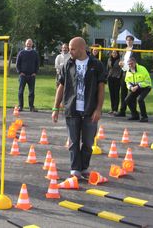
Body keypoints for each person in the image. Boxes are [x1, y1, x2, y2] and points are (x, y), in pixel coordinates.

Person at [52, 37, 106, 179]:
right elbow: (61, 87)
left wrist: (98, 109)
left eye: (72, 49)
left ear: (82, 48)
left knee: (88, 142)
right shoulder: (67, 65)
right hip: (72, 108)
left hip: (90, 109)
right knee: (73, 142)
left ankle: (83, 168)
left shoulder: (97, 65)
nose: (70, 51)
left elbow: (101, 89)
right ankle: (75, 169)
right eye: (69, 48)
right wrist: (55, 108)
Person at [114, 35, 140, 117]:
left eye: (130, 40)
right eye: (127, 40)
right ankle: (122, 111)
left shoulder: (135, 51)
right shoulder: (124, 50)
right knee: (123, 92)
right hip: (124, 73)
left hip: (132, 74)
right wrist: (120, 63)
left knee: (132, 94)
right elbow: (122, 60)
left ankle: (134, 112)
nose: (128, 41)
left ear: (133, 41)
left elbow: (138, 62)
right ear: (125, 41)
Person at [125, 57, 152, 122]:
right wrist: (130, 87)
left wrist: (137, 86)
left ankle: (144, 117)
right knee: (127, 100)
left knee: (140, 99)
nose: (130, 65)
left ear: (135, 63)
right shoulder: (128, 71)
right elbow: (127, 81)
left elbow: (147, 81)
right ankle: (135, 115)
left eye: (131, 64)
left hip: (146, 87)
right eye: (129, 64)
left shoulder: (142, 69)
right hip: (134, 87)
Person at [16, 38, 39, 112]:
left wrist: (35, 72)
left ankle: (31, 107)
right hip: (22, 75)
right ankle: (20, 106)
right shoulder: (21, 53)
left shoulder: (35, 53)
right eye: (28, 43)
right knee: (21, 91)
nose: (29, 44)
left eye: (30, 43)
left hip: (32, 76)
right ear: (25, 44)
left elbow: (37, 64)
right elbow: (17, 64)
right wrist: (20, 72)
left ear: (32, 44)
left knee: (31, 92)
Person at [107, 50, 122, 114]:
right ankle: (112, 109)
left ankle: (115, 109)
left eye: (115, 53)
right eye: (113, 53)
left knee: (116, 94)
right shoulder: (109, 59)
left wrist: (119, 76)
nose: (114, 54)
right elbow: (107, 68)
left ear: (117, 53)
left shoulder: (120, 60)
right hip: (110, 78)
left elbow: (121, 69)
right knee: (111, 94)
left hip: (117, 78)